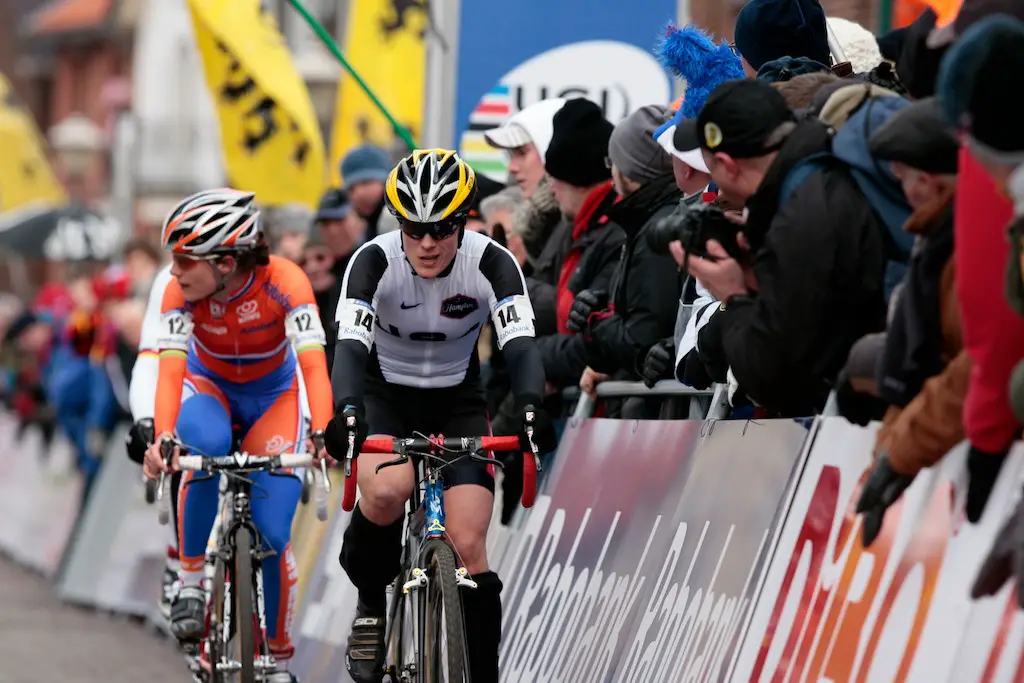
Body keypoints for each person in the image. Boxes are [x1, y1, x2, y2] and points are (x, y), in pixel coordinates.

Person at [322, 149, 557, 683]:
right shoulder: (373, 261)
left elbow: (520, 345)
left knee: (470, 543)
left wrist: (529, 407)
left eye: (442, 228)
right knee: (384, 492)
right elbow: (351, 347)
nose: (427, 243)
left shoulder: (493, 262)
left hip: (457, 401)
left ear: (463, 220)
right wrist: (348, 410)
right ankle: (370, 603)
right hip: (385, 394)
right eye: (415, 228)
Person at [141, 188, 333, 683]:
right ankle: (189, 581)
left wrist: (325, 430)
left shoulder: (286, 280)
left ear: (226, 261)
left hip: (275, 398)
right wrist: (163, 438)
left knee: (272, 531)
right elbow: (169, 374)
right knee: (202, 446)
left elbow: (313, 363)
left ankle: (277, 657)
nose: (175, 271)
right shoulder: (176, 293)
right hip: (211, 388)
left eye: (185, 259)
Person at [340, 144, 400, 238]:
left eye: (366, 183)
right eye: (351, 188)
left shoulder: (403, 223)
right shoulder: (369, 228)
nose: (358, 194)